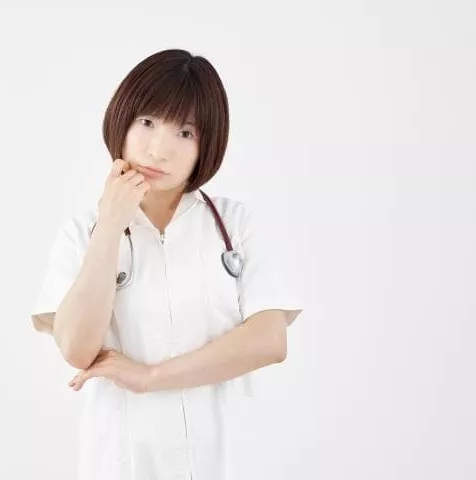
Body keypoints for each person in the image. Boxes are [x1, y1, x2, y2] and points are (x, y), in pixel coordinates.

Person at [30, 48, 303, 480]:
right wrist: (110, 226)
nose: (159, 150)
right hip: (122, 463)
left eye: (185, 132)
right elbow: (77, 349)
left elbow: (269, 340)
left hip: (222, 459)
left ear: (206, 145)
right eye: (147, 122)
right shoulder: (82, 234)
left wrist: (150, 376)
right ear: (122, 120)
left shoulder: (236, 224)